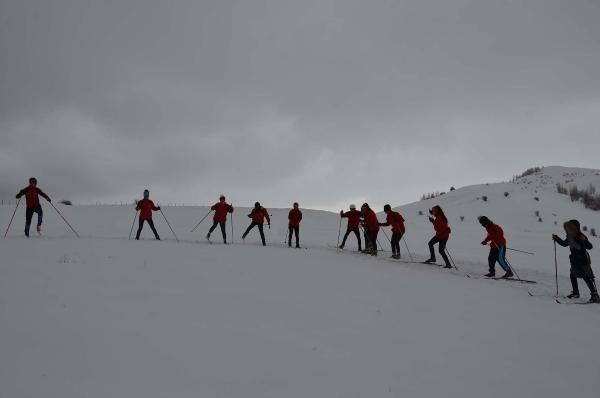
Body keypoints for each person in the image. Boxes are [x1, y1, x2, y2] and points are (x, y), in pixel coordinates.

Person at [553, 220, 599, 302]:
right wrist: (557, 239)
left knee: (586, 277)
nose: (568, 230)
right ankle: (576, 293)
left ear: (575, 228)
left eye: (570, 228)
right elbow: (564, 244)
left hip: (583, 260)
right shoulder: (569, 237)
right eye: (567, 229)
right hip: (574, 260)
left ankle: (594, 295)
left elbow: (590, 246)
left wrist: (584, 240)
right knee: (573, 275)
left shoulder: (580, 236)